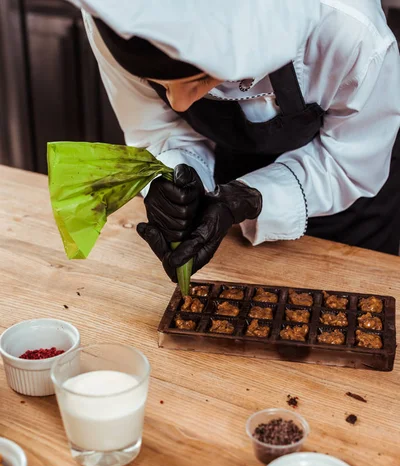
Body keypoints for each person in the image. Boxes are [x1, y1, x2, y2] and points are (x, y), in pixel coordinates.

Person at [69, 0, 400, 282]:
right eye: (157, 83)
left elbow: (347, 163)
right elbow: (158, 128)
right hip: (227, 224)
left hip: (349, 217)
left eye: (200, 79)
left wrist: (253, 196)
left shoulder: (351, 32)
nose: (180, 104)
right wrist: (172, 177)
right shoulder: (115, 16)